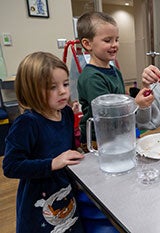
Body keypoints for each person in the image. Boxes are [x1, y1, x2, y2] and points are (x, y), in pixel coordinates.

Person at [2, 52, 85, 233]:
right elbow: (11, 166)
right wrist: (53, 163)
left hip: (65, 193)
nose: (63, 91)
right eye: (52, 87)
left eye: (65, 84)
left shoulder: (67, 113)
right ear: (31, 90)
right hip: (38, 203)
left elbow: (69, 149)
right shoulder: (27, 123)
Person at [77, 11, 125, 152]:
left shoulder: (115, 71)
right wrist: (136, 104)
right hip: (97, 140)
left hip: (116, 133)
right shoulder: (92, 77)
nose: (114, 44)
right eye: (107, 40)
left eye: (116, 39)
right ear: (87, 44)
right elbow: (106, 114)